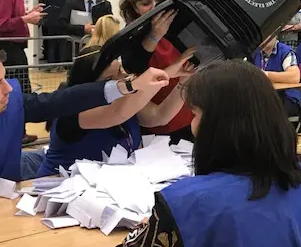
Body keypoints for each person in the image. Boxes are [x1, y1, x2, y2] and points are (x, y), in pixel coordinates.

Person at [99, 60, 301, 247]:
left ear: (219, 126)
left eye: (196, 114)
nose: (192, 124)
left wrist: (146, 231)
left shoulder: (188, 202)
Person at [0, 42, 170, 220]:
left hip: (0, 214)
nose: (8, 89)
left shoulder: (12, 103)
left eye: (5, 78)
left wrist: (127, 86)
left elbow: (62, 100)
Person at [119, 0, 243, 142]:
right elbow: (135, 64)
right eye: (146, 3)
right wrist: (154, 35)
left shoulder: (177, 16)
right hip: (157, 126)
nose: (155, 6)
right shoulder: (132, 36)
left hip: (192, 115)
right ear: (134, 7)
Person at [37, 46, 195, 177]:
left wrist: (184, 81)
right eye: (110, 78)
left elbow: (159, 116)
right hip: (64, 187)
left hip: (112, 187)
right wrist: (165, 74)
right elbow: (117, 114)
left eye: (120, 70)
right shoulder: (72, 110)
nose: (122, 78)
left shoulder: (126, 100)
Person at [0, 0, 46, 144]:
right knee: (16, 90)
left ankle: (18, 131)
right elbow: (0, 24)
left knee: (20, 88)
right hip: (8, 48)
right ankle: (16, 133)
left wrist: (26, 15)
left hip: (13, 46)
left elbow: (9, 18)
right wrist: (26, 19)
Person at [251, 35, 301, 117]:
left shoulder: (286, 52)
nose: (265, 38)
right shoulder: (255, 53)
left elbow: (295, 77)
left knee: (264, 113)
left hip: (286, 97)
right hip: (262, 96)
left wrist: (266, 75)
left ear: (275, 35)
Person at [40, 0, 71, 64]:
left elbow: (44, 5)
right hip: (61, 22)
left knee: (51, 44)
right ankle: (60, 64)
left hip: (50, 23)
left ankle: (51, 63)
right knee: (61, 44)